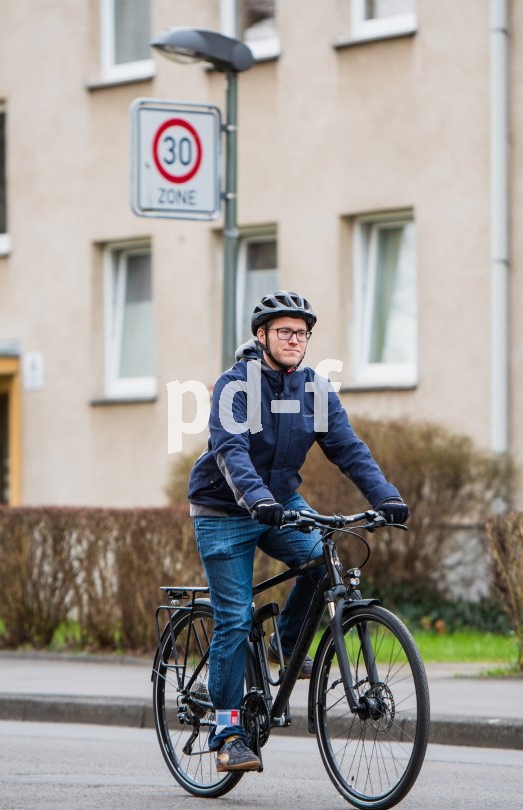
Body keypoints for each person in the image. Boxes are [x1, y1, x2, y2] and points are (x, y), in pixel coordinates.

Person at [188, 290, 409, 773]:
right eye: (285, 331)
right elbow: (231, 452)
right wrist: (257, 501)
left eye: (302, 333)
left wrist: (385, 496)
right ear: (261, 335)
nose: (295, 340)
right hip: (225, 509)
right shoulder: (234, 386)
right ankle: (226, 732)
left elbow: (348, 448)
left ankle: (285, 647)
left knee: (321, 560)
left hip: (279, 500)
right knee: (233, 618)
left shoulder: (314, 389)